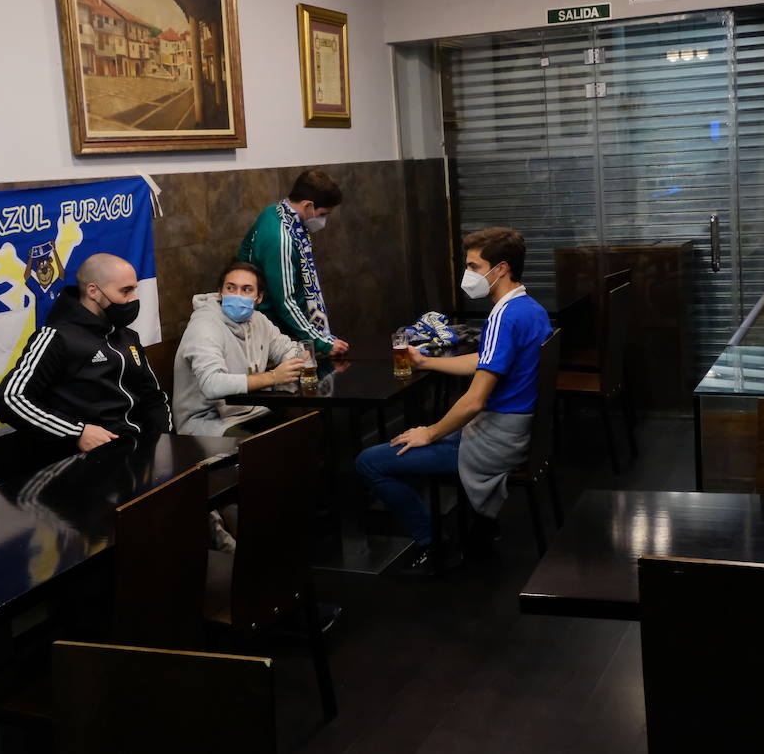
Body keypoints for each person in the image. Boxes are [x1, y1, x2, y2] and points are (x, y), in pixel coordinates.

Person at [355, 227, 551, 575]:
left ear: (501, 268)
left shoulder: (504, 317)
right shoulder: (529, 308)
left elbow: (474, 401)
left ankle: (435, 543)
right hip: (517, 431)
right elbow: (484, 360)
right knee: (426, 434)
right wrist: (427, 361)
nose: (468, 275)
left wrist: (429, 432)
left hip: (494, 440)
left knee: (370, 462)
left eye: (474, 267)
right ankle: (477, 528)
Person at [0, 252, 171, 451]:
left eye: (134, 290)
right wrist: (76, 432)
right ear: (93, 291)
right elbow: (8, 399)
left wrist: (162, 442)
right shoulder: (57, 337)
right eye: (125, 291)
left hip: (137, 449)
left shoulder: (128, 337)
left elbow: (153, 398)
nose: (133, 299)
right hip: (90, 460)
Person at [173, 260, 306, 437]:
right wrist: (273, 377)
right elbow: (212, 384)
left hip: (252, 409)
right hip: (207, 421)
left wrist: (299, 358)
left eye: (246, 290)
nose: (237, 295)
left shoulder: (259, 321)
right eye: (231, 288)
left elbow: (287, 349)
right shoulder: (204, 326)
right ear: (220, 293)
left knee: (306, 423)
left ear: (258, 298)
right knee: (265, 446)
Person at [237, 168, 350, 356]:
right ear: (308, 205)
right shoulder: (281, 238)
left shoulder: (273, 212)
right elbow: (286, 302)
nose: (323, 221)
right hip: (273, 330)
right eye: (323, 214)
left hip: (280, 323)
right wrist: (322, 343)